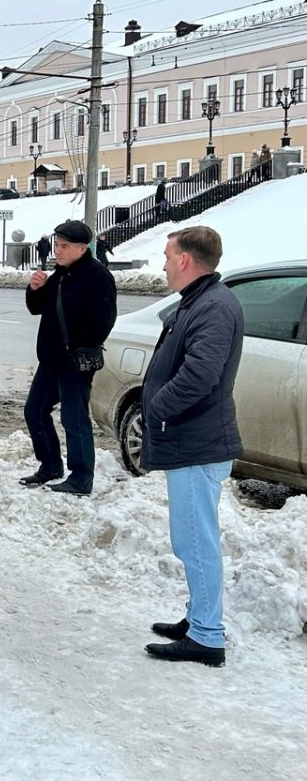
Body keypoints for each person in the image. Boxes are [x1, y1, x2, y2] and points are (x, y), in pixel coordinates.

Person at [142, 227, 242, 668]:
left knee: (196, 542)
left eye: (167, 255)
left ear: (185, 260)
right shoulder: (201, 301)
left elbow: (200, 375)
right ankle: (198, 617)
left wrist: (157, 407)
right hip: (191, 438)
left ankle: (206, 635)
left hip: (196, 442)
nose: (163, 263)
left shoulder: (214, 307)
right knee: (190, 538)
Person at [19, 219, 117, 495]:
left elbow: (105, 319)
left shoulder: (99, 276)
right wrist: (35, 289)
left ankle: (81, 477)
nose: (57, 251)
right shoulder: (60, 273)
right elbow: (37, 308)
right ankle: (50, 465)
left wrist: (82, 346)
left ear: (82, 248)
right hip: (50, 360)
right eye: (56, 245)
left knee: (74, 419)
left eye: (63, 246)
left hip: (75, 362)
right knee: (34, 410)